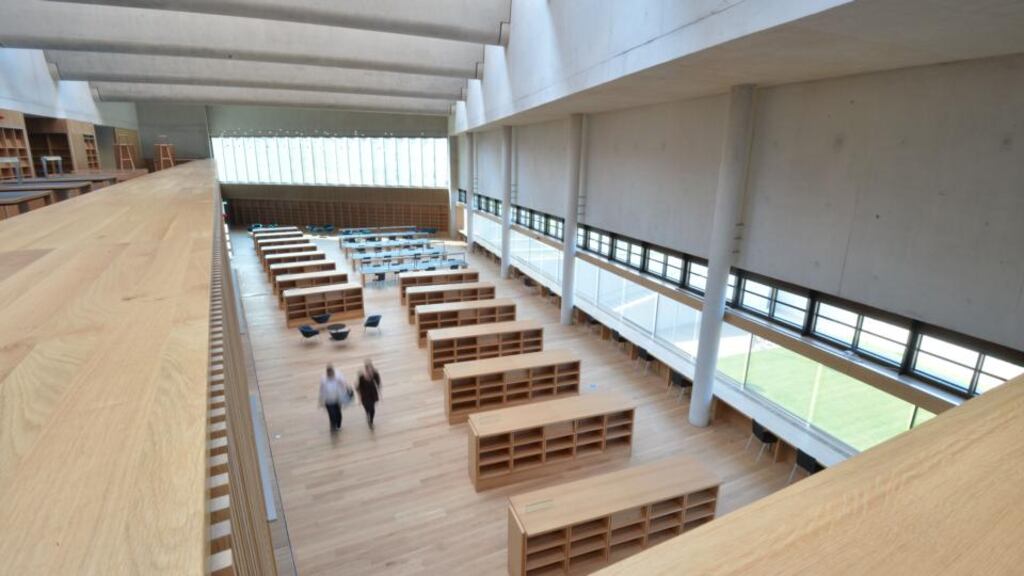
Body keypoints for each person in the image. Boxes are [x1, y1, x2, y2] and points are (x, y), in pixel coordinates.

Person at [318, 364, 352, 433]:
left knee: (338, 414)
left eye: (331, 373)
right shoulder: (323, 379)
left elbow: (344, 384)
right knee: (332, 414)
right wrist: (320, 400)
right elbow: (321, 390)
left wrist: (346, 391)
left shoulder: (338, 376)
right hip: (328, 401)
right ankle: (333, 426)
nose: (330, 375)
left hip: (337, 400)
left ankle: (338, 425)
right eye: (329, 374)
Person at [356, 359, 382, 429]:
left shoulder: (375, 374)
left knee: (372, 409)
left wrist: (378, 386)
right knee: (367, 407)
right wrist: (359, 397)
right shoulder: (362, 376)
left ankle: (371, 421)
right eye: (368, 369)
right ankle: (367, 413)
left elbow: (378, 382)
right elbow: (358, 386)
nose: (370, 371)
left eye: (371, 369)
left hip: (372, 394)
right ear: (366, 369)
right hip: (364, 395)